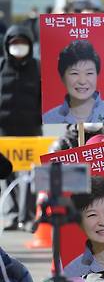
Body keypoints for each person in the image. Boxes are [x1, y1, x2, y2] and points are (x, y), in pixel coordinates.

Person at [0, 25, 41, 232]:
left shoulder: (37, 67)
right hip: (4, 132)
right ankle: (11, 215)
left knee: (30, 175)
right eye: (14, 43)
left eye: (22, 42)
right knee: (6, 174)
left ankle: (28, 217)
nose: (18, 47)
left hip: (31, 131)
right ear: (7, 45)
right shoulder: (0, 67)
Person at [42, 40, 104, 124]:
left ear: (97, 75)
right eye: (74, 73)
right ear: (62, 77)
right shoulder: (49, 119)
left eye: (89, 73)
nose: (82, 81)